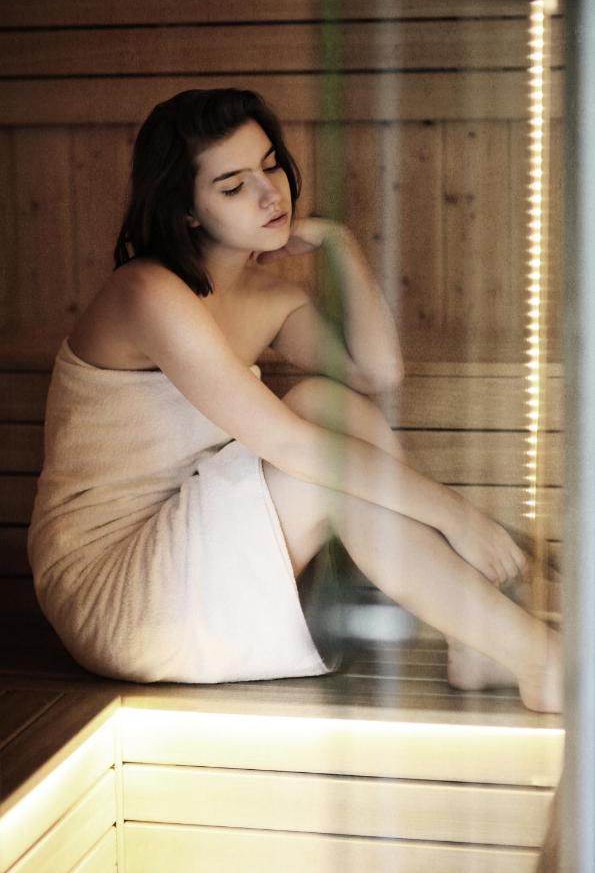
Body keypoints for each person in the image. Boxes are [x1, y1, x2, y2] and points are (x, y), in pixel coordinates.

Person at [27, 88, 561, 712]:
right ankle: (537, 658)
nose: (269, 193)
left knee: (329, 404)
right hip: (116, 590)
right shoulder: (147, 293)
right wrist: (456, 516)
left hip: (195, 538)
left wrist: (340, 244)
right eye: (233, 186)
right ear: (188, 210)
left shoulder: (264, 297)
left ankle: (474, 641)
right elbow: (286, 444)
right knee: (321, 469)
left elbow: (377, 371)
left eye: (271, 165)